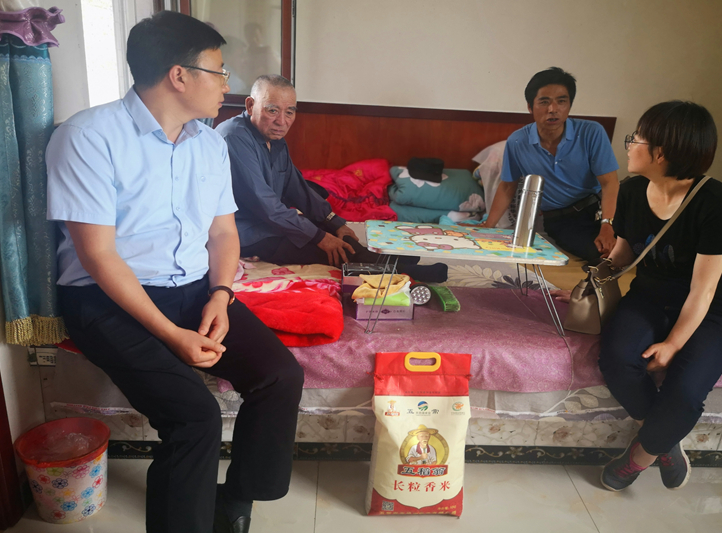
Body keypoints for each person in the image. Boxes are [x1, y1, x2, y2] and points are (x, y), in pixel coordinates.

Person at [46, 12, 303, 533]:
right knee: (194, 418)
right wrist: (171, 335)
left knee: (280, 375)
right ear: (179, 75)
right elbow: (98, 256)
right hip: (106, 299)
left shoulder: (208, 144)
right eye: (220, 71)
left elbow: (223, 234)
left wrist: (221, 295)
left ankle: (236, 498)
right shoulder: (88, 137)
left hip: (192, 290)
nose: (227, 85)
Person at [596, 101, 722, 491]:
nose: (629, 145)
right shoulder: (631, 192)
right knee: (617, 359)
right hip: (649, 299)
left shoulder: (715, 202)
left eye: (636, 139)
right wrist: (592, 283)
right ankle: (666, 440)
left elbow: (704, 289)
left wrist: (673, 344)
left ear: (660, 152)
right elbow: (624, 253)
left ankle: (639, 457)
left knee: (686, 389)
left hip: (713, 310)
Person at [215, 75, 448, 282]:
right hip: (246, 231)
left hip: (270, 221)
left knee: (330, 231)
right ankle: (403, 272)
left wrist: (335, 223)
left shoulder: (274, 138)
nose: (282, 121)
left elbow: (297, 188)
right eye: (272, 110)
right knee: (329, 249)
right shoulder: (234, 137)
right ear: (250, 105)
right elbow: (266, 206)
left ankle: (377, 259)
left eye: (290, 112)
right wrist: (320, 237)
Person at [479, 67, 619, 263]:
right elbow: (508, 186)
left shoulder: (591, 132)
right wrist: (488, 226)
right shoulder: (517, 142)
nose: (553, 109)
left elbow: (609, 183)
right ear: (530, 107)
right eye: (544, 102)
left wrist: (607, 225)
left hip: (601, 207)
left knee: (641, 243)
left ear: (569, 105)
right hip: (562, 220)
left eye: (561, 101)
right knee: (603, 255)